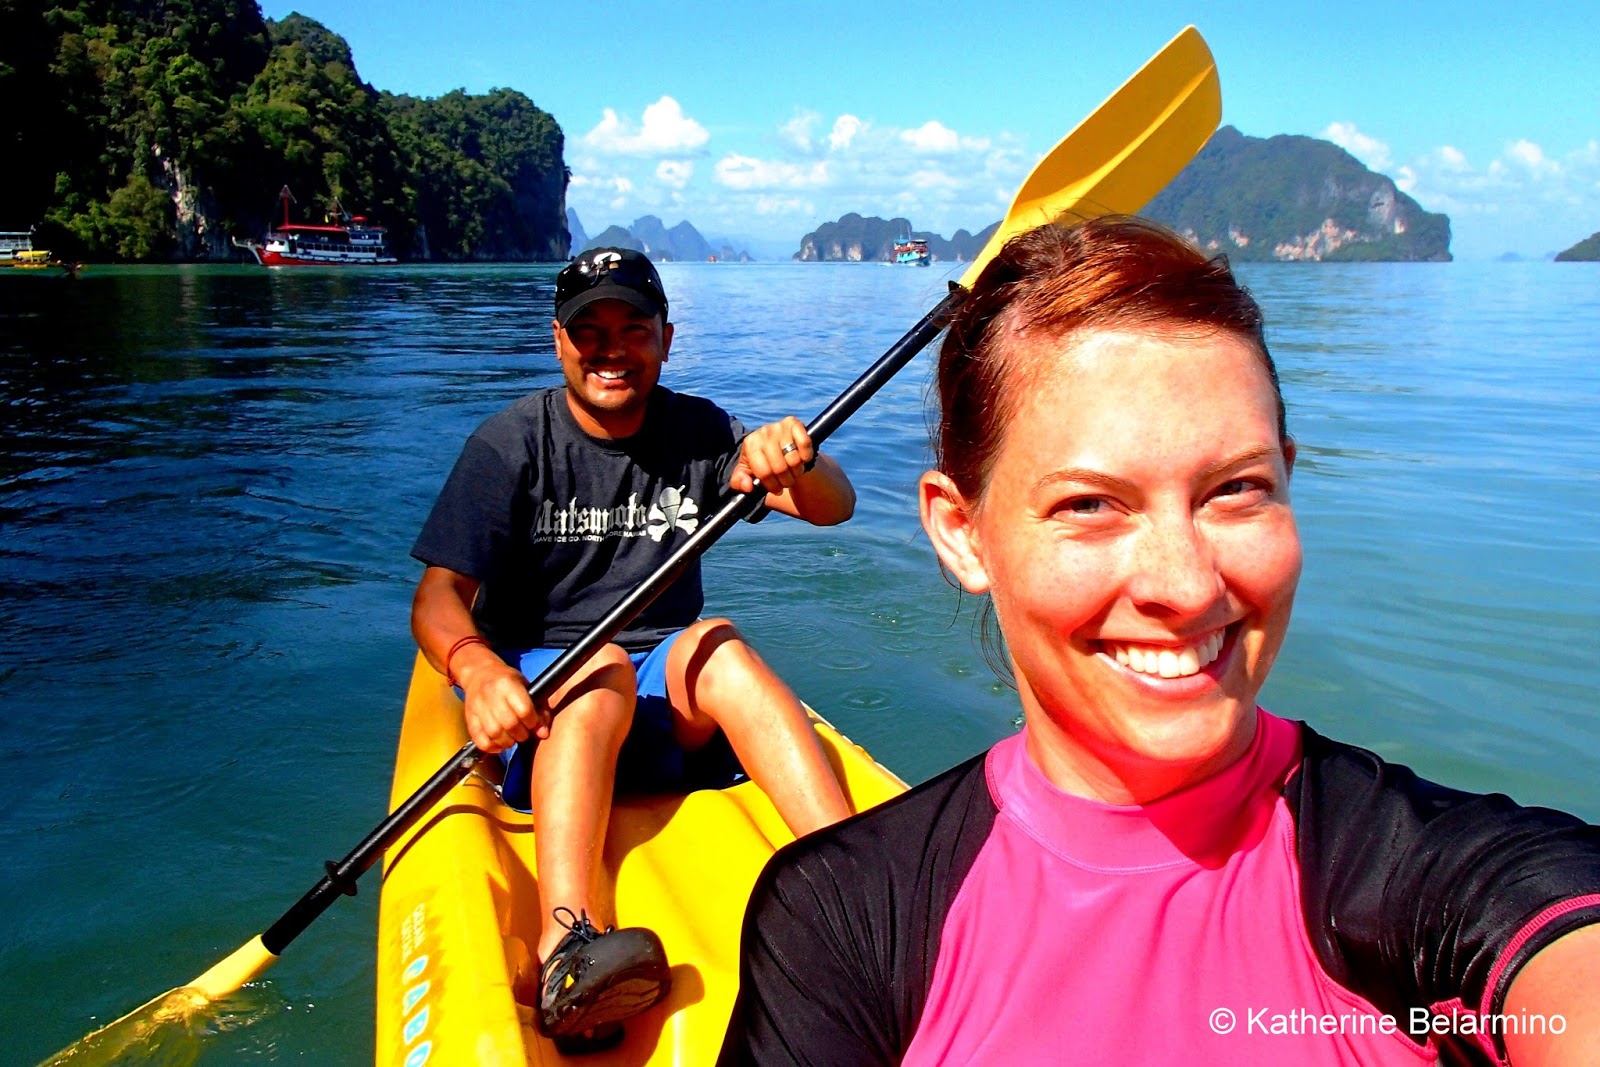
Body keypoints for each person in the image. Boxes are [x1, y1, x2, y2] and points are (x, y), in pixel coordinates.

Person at [718, 217, 1600, 1066]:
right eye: (1090, 503)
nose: (1185, 585)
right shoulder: (841, 919)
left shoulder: (1440, 878)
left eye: (1235, 489)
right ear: (961, 533)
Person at [410, 247, 855, 1049]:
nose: (610, 348)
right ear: (559, 342)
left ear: (666, 339)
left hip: (664, 710)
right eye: (590, 330)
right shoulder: (510, 444)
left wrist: (796, 456)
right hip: (550, 712)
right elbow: (439, 595)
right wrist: (476, 668)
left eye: (632, 329)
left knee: (719, 644)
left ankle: (856, 878)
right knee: (602, 664)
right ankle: (567, 948)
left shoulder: (702, 431)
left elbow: (834, 508)